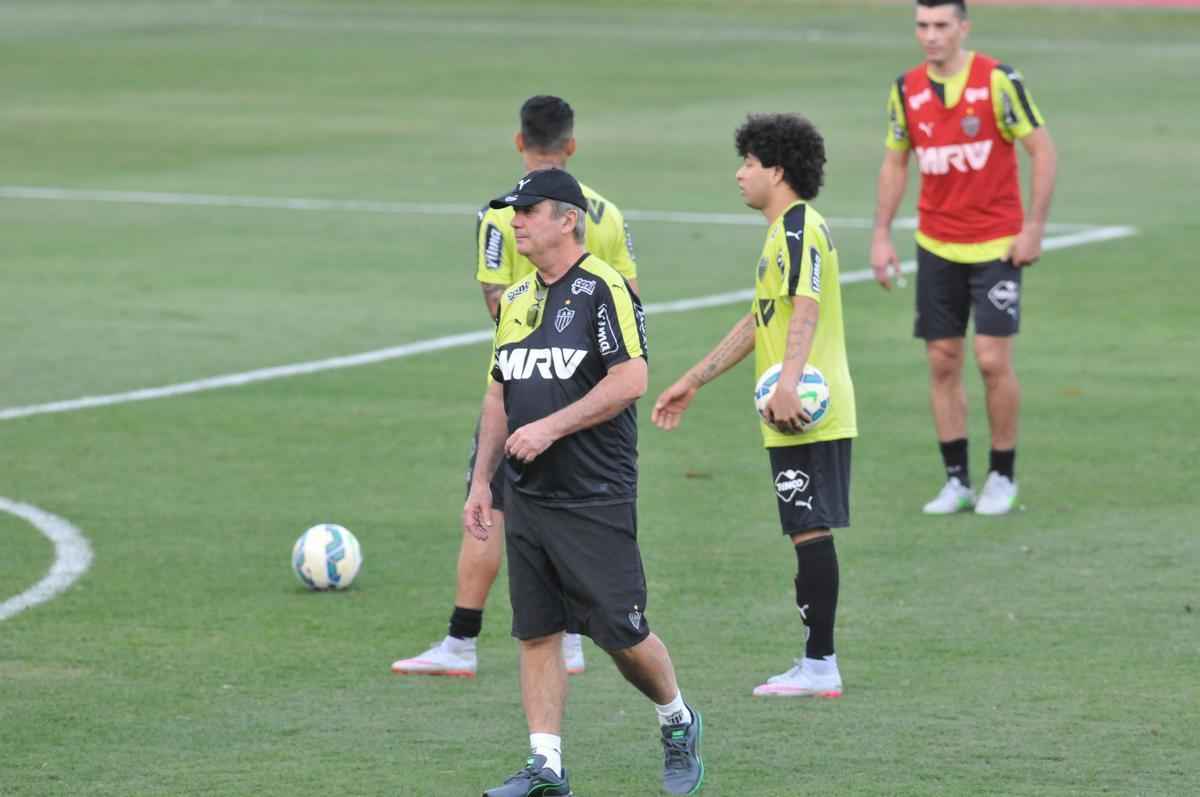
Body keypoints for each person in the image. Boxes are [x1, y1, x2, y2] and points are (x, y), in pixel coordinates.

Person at [468, 169, 703, 797]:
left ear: (567, 219)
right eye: (512, 211)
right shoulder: (516, 299)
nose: (515, 220)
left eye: (528, 210)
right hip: (528, 495)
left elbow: (630, 380)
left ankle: (677, 720)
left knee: (622, 634)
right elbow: (498, 395)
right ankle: (546, 765)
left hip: (593, 494)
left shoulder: (606, 290)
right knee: (537, 630)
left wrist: (549, 429)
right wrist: (481, 483)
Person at [392, 95, 639, 678]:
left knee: (493, 505)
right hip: (583, 388)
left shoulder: (496, 215)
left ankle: (460, 641)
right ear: (571, 145)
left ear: (518, 141)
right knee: (554, 505)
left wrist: (536, 353)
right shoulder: (606, 211)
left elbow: (494, 298)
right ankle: (573, 640)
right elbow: (628, 296)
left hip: (525, 383)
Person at [652, 113, 856, 698]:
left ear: (778, 169)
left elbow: (807, 306)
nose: (740, 173)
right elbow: (760, 319)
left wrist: (789, 381)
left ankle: (820, 665)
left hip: (807, 407)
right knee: (804, 528)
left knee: (809, 530)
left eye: (749, 163)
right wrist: (695, 377)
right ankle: (817, 661)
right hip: (793, 405)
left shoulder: (798, 229)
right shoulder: (780, 235)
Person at [870, 0, 1057, 515]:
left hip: (998, 245)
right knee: (942, 360)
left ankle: (1003, 475)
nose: (931, 36)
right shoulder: (905, 89)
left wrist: (1033, 229)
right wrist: (881, 235)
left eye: (941, 26)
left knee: (993, 360)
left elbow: (1042, 149)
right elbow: (895, 161)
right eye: (922, 26)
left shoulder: (998, 80)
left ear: (963, 28)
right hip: (936, 245)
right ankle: (957, 480)